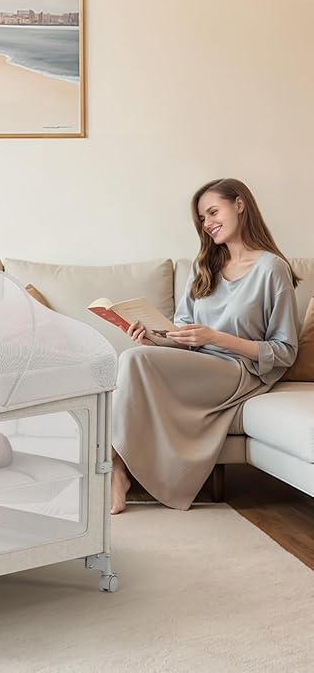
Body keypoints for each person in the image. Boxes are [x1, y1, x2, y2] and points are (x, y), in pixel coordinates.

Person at [111, 178, 300, 514]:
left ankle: (117, 470)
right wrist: (153, 338)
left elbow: (284, 350)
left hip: (240, 370)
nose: (207, 223)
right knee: (135, 356)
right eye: (202, 218)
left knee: (135, 361)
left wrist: (215, 338)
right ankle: (117, 468)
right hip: (201, 365)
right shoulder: (204, 266)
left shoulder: (272, 269)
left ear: (239, 204)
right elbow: (183, 334)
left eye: (213, 212)